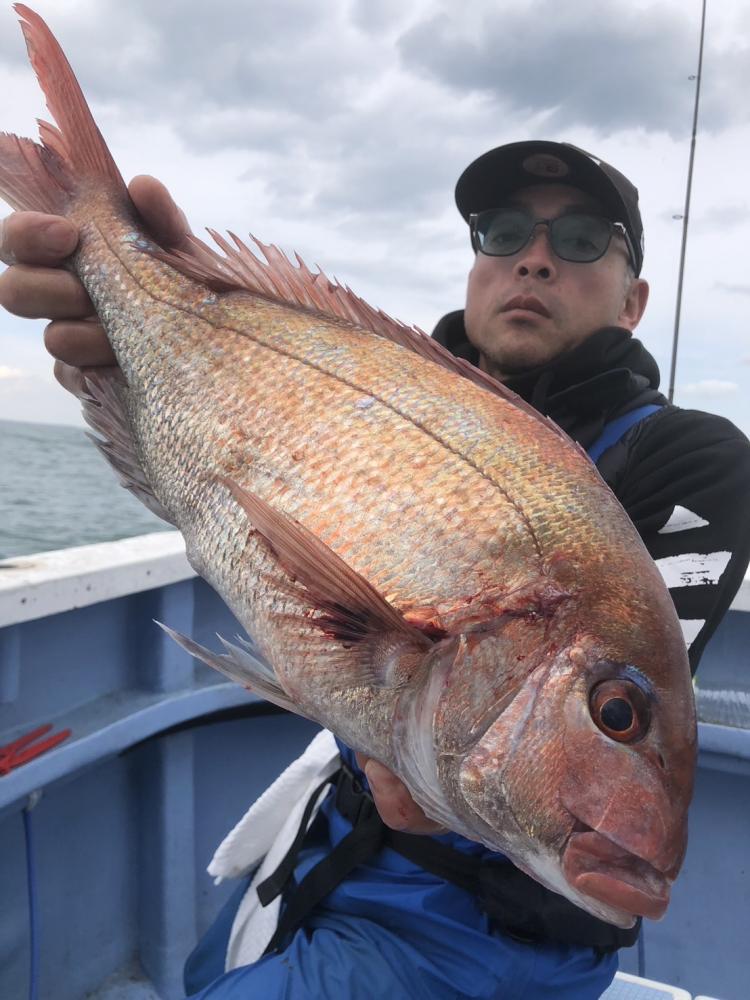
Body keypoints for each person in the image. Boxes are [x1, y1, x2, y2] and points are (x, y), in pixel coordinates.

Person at [1, 141, 749, 999]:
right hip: (330, 841)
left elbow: (624, 669)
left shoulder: (693, 459)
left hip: (484, 937)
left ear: (635, 300)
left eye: (581, 239)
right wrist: (144, 336)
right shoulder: (381, 384)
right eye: (504, 232)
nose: (535, 258)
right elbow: (231, 500)